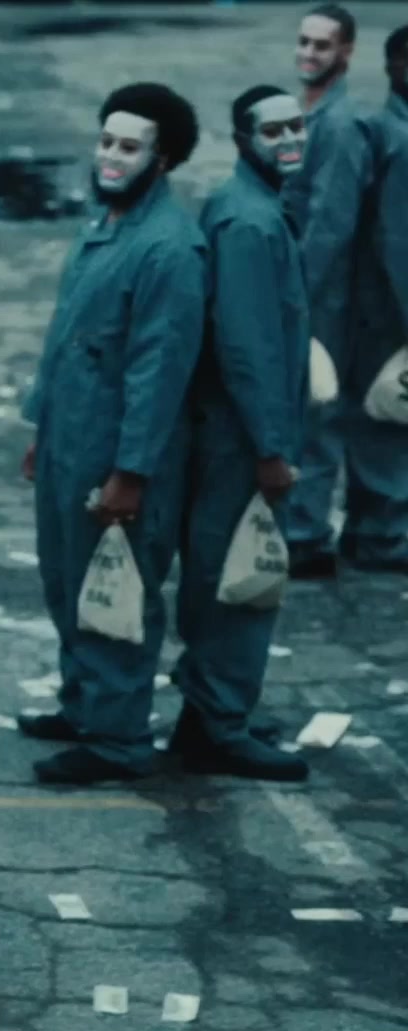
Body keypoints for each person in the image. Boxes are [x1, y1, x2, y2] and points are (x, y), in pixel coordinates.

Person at [16, 84, 207, 785]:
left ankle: (119, 739)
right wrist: (42, 426)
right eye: (106, 141)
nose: (111, 157)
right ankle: (84, 708)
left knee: (116, 592)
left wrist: (131, 472)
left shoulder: (170, 248)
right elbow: (69, 336)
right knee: (67, 580)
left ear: (164, 160)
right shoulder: (106, 225)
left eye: (130, 147)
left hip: (118, 454)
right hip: (70, 439)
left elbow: (159, 370)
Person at [168, 87, 313, 782]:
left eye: (296, 127)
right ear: (241, 139)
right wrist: (272, 448)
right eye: (272, 131)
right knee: (240, 579)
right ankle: (218, 727)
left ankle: (208, 714)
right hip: (243, 436)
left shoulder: (254, 207)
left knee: (225, 574)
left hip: (242, 430)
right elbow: (246, 346)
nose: (289, 140)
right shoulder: (249, 222)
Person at [284, 4, 373, 577]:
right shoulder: (305, 115)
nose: (309, 53)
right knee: (298, 413)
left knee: (316, 416)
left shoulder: (340, 126)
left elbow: (330, 223)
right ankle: (298, 527)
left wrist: (297, 296)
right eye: (304, 42)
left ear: (346, 53)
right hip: (301, 289)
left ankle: (307, 536)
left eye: (322, 45)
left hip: (322, 296)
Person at [342, 24, 408, 570]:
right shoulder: (395, 136)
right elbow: (397, 238)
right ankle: (381, 539)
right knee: (386, 421)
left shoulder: (382, 129)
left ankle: (371, 532)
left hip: (377, 302)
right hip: (389, 306)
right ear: (390, 66)